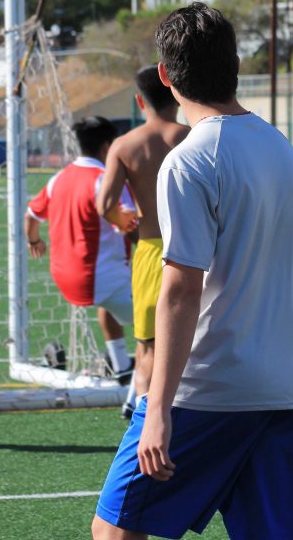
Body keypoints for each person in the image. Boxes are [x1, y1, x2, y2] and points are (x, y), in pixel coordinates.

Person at [92, 2, 293, 540]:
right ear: (236, 64)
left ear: (167, 77)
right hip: (284, 383)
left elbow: (180, 290)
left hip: (211, 386)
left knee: (116, 530)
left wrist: (156, 411)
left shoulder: (192, 158)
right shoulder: (281, 147)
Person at [96, 64, 191, 419]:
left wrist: (128, 225)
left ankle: (142, 424)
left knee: (149, 346)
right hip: (199, 252)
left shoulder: (125, 145)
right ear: (177, 94)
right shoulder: (195, 135)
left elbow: (105, 204)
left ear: (140, 101)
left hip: (151, 251)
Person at [25, 116, 138, 385]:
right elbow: (130, 225)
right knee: (170, 316)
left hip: (65, 277)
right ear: (107, 147)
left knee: (109, 302)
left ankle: (122, 365)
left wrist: (34, 242)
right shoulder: (105, 180)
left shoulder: (58, 178)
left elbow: (31, 217)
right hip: (97, 278)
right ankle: (151, 381)